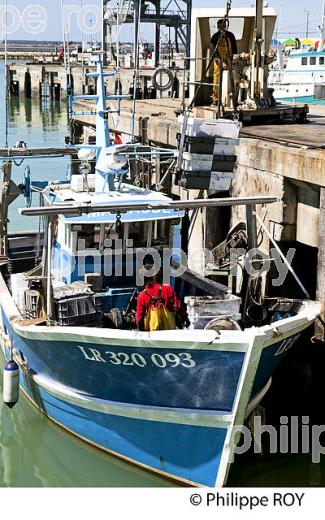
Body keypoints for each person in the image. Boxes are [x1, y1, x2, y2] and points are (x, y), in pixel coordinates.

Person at [136, 264, 184, 332]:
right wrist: (184, 318)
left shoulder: (142, 296)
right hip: (169, 334)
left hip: (152, 335)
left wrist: (142, 330)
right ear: (154, 276)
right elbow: (178, 306)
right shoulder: (167, 289)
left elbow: (139, 318)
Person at [210, 18, 238, 105]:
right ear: (218, 27)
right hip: (218, 61)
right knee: (217, 78)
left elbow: (234, 49)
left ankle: (232, 97)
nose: (223, 28)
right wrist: (221, 62)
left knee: (231, 78)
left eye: (224, 26)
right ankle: (215, 98)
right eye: (221, 26)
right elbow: (213, 52)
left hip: (228, 59)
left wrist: (233, 59)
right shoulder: (214, 37)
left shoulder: (230, 36)